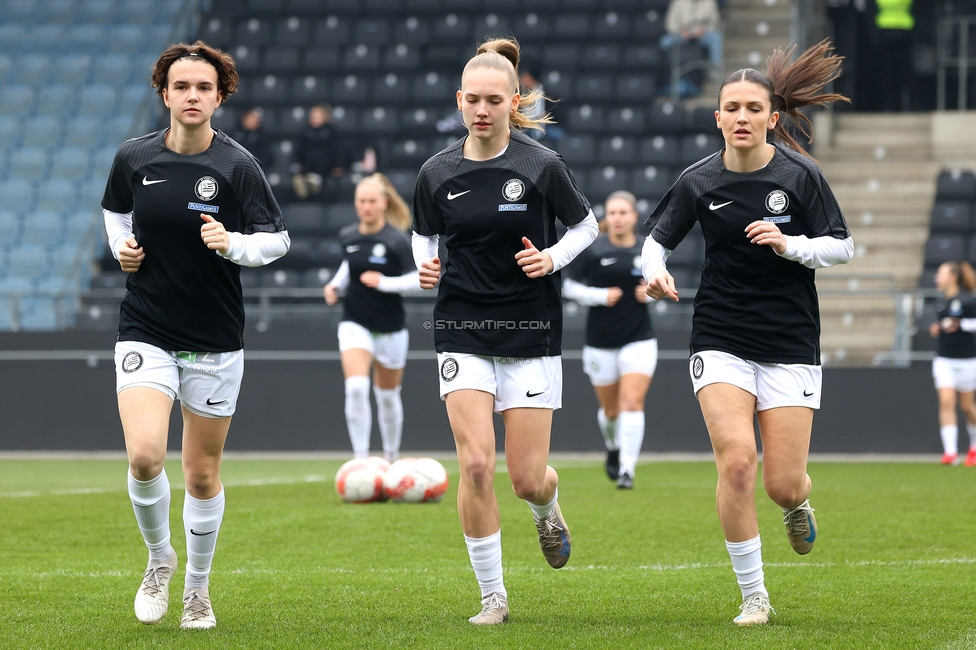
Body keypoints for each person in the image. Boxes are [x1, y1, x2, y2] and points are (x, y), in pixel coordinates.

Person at [642, 40, 854, 626]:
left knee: (782, 484)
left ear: (772, 117)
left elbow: (843, 246)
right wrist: (654, 272)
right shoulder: (698, 179)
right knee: (737, 462)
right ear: (718, 117)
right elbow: (654, 241)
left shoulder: (801, 175)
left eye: (753, 109)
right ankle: (754, 595)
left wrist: (791, 246)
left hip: (788, 339)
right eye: (731, 108)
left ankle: (798, 502)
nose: (742, 118)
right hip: (720, 334)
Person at [101, 41, 289, 630]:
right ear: (165, 93)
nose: (192, 96)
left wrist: (233, 244)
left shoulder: (238, 166)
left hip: (213, 337)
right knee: (144, 455)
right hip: (146, 328)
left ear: (219, 96)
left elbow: (277, 239)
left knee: (202, 475)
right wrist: (122, 250)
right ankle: (160, 560)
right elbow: (115, 213)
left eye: (203, 88)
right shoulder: (134, 158)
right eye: (181, 86)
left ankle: (198, 591)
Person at [411, 37, 598, 625]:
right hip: (462, 326)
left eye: (496, 99)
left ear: (515, 99)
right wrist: (425, 261)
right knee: (473, 465)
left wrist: (552, 259)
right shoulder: (437, 171)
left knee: (525, 479)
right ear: (459, 100)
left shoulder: (541, 165)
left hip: (530, 331)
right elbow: (423, 231)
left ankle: (547, 510)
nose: (484, 109)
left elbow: (586, 226)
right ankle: (493, 595)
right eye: (474, 100)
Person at [324, 173, 421, 463]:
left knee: (388, 395)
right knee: (355, 387)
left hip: (391, 327)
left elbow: (419, 280)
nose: (365, 206)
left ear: (384, 203)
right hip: (355, 321)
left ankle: (391, 459)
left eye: (371, 201)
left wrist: (384, 283)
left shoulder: (397, 240)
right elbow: (348, 267)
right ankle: (361, 461)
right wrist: (334, 286)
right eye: (360, 201)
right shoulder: (348, 236)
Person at [563, 191, 656, 489]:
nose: (617, 218)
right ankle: (613, 448)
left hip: (639, 339)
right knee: (612, 410)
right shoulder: (593, 250)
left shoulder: (647, 250)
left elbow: (664, 283)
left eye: (623, 213)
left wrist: (653, 293)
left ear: (634, 217)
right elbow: (568, 287)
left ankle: (627, 470)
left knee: (631, 401)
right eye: (612, 213)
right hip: (600, 340)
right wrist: (599, 296)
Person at [928, 261, 976, 466]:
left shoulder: (968, 300)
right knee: (947, 402)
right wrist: (938, 327)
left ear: (953, 277)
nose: (937, 278)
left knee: (967, 407)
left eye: (941, 274)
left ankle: (973, 447)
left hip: (967, 360)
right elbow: (945, 324)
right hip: (944, 359)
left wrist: (961, 324)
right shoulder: (941, 302)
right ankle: (950, 452)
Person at [660, 0, 724, 92]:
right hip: (681, 34)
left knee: (716, 37)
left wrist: (704, 30)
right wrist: (681, 31)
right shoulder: (678, 2)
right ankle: (664, 75)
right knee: (664, 42)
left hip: (702, 34)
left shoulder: (710, 2)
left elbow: (715, 22)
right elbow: (670, 24)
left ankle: (714, 71)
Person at [291, 103, 347, 200]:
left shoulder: (332, 132)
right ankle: (303, 181)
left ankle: (316, 179)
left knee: (320, 156)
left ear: (325, 117)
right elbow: (299, 150)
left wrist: (339, 166)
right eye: (312, 116)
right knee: (311, 156)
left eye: (317, 116)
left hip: (326, 165)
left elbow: (338, 150)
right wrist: (297, 163)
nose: (314, 118)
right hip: (308, 163)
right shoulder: (305, 132)